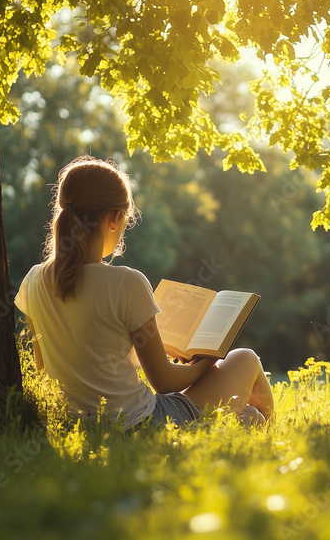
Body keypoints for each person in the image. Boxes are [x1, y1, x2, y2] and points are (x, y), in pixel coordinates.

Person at [14, 155, 275, 430]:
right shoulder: (126, 282)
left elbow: (46, 372)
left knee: (249, 418)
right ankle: (272, 429)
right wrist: (207, 362)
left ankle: (256, 427)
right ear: (115, 218)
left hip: (75, 424)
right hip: (143, 424)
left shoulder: (32, 281)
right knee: (245, 358)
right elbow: (164, 383)